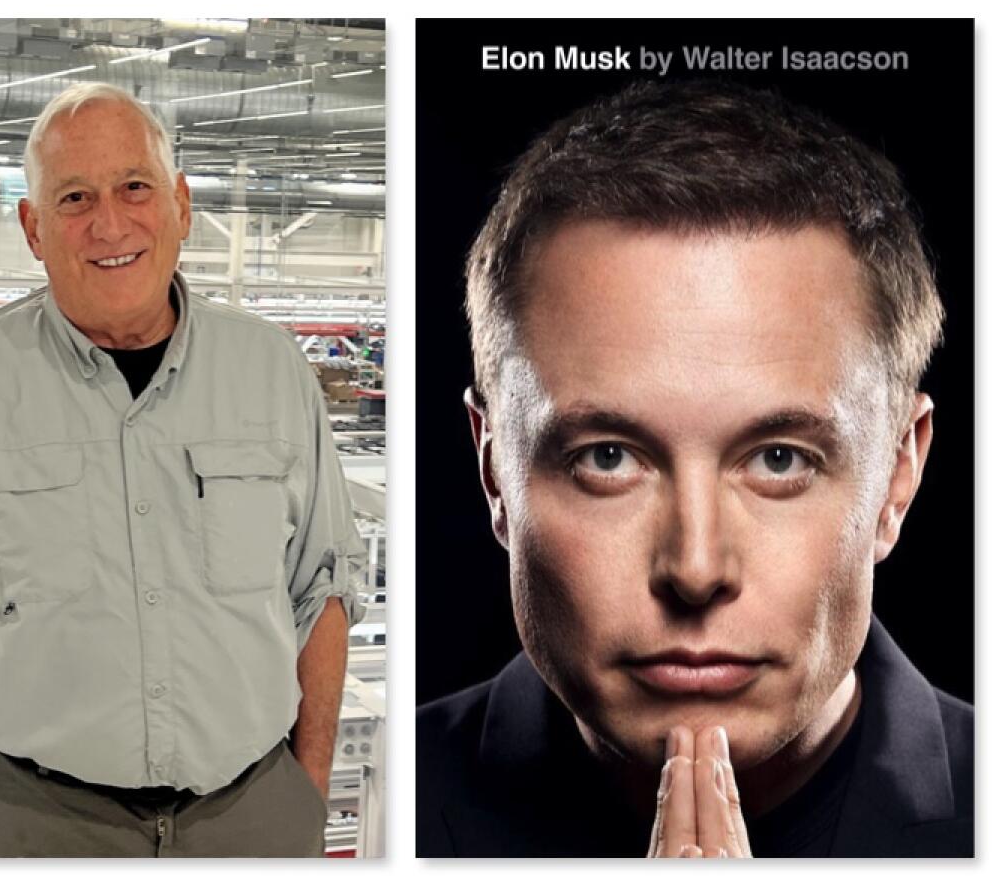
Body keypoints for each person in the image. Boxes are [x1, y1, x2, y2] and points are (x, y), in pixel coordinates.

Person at [416, 80, 972, 857]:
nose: (697, 568)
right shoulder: (390, 813)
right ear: (495, 473)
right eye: (607, 459)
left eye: (779, 460)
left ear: (899, 475)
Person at [0, 82, 365, 857]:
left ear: (181, 205)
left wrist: (304, 791)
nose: (109, 223)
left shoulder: (273, 373)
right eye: (73, 197)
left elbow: (322, 590)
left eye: (135, 187)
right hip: (30, 824)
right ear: (33, 227)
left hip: (252, 817)